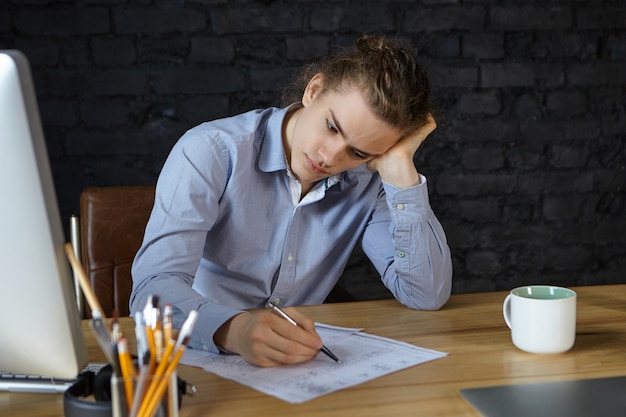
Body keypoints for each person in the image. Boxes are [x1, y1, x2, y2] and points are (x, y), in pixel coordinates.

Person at [130, 33, 453, 367]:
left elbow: (425, 294)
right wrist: (235, 330)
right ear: (313, 91)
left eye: (357, 152)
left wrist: (401, 168)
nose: (329, 157)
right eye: (331, 127)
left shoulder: (371, 177)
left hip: (295, 369)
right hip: (193, 357)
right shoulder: (208, 151)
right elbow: (152, 294)